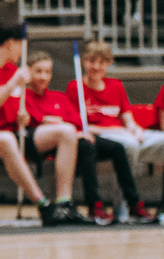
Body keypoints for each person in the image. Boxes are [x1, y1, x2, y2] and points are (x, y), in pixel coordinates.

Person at [0, 23, 84, 225]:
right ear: (11, 43)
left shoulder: (13, 70)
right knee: (6, 139)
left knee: (66, 131)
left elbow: (17, 108)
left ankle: (64, 203)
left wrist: (24, 117)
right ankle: (43, 204)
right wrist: (11, 84)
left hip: (14, 132)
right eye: (21, 45)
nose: (22, 51)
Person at [26, 50, 155, 224]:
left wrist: (78, 130)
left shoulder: (58, 97)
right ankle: (94, 205)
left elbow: (76, 120)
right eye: (38, 71)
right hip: (51, 146)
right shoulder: (24, 97)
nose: (43, 76)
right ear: (28, 72)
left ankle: (133, 203)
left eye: (47, 72)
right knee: (88, 147)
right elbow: (31, 121)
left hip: (76, 139)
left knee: (117, 148)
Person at [69, 40, 164, 189]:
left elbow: (127, 117)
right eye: (92, 61)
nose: (96, 67)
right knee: (130, 145)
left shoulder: (116, 85)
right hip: (101, 137)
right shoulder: (75, 87)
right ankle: (126, 200)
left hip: (123, 133)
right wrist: (118, 131)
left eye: (102, 62)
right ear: (84, 61)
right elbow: (80, 126)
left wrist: (135, 129)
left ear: (108, 64)